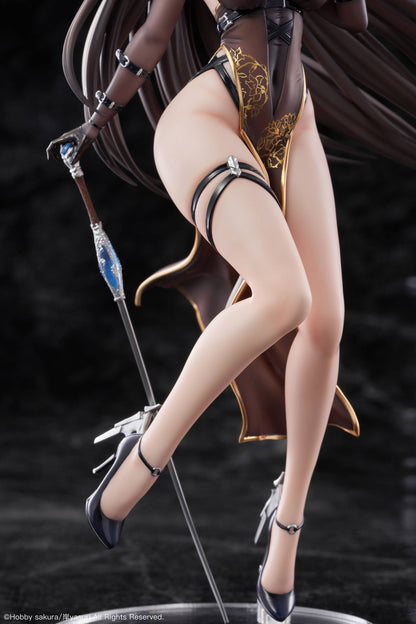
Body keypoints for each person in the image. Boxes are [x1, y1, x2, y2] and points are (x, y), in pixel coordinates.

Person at [46, 1, 416, 622]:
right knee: (286, 297)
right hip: (207, 118)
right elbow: (153, 35)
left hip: (292, 122)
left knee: (325, 325)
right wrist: (97, 119)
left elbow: (353, 20)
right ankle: (145, 452)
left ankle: (286, 532)